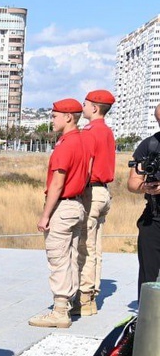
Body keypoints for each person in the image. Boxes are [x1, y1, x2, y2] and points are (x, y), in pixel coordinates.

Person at [29, 99, 89, 329]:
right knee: (71, 257)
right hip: (77, 204)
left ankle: (60, 310)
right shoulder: (83, 141)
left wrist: (45, 215)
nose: (51, 120)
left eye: (54, 116)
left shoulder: (66, 145)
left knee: (58, 258)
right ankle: (70, 303)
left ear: (68, 117)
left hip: (63, 206)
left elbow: (57, 183)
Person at [74, 90, 116, 317]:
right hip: (104, 193)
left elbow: (86, 164)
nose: (83, 107)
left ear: (94, 108)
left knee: (85, 248)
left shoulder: (90, 132)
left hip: (91, 191)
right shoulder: (107, 131)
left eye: (86, 104)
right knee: (95, 247)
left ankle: (84, 297)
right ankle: (91, 297)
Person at [129, 103, 160, 294]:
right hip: (154, 218)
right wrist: (145, 187)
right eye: (158, 119)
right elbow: (132, 182)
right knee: (148, 277)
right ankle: (147, 317)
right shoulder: (149, 145)